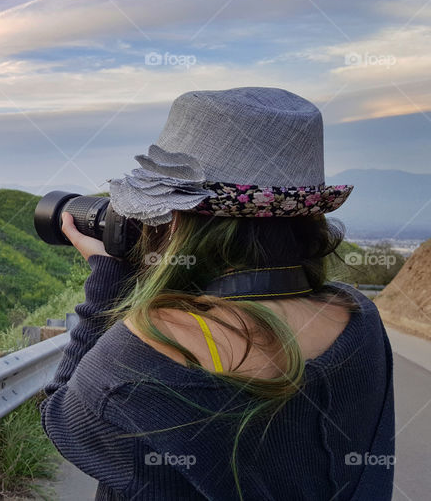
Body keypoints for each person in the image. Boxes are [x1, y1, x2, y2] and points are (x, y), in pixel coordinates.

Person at [40, 87, 395, 500]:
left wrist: (108, 278)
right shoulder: (360, 317)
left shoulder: (155, 343)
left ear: (175, 222)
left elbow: (63, 421)